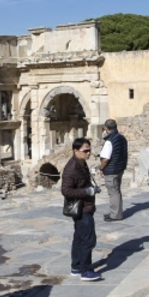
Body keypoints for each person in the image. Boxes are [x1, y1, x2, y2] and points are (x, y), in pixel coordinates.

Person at [62, 138, 102, 282]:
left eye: (89, 150)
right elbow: (66, 190)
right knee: (88, 239)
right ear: (76, 150)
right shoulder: (71, 168)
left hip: (86, 206)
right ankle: (86, 271)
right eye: (85, 150)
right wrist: (88, 192)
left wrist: (92, 189)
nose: (88, 153)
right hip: (81, 208)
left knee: (79, 237)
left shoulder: (81, 163)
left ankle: (76, 266)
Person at [98, 119, 128, 222]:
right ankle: (116, 212)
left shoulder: (109, 141)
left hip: (112, 170)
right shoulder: (122, 138)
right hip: (120, 168)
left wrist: (101, 168)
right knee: (117, 190)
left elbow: (106, 159)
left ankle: (115, 215)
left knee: (113, 192)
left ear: (106, 129)